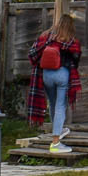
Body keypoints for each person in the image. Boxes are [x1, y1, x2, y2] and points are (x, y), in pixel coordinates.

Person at [27, 13, 83, 153]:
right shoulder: (71, 40)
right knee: (60, 106)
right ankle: (56, 142)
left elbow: (33, 53)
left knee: (52, 103)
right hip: (62, 75)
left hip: (46, 75)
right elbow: (76, 59)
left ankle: (58, 129)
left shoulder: (46, 37)